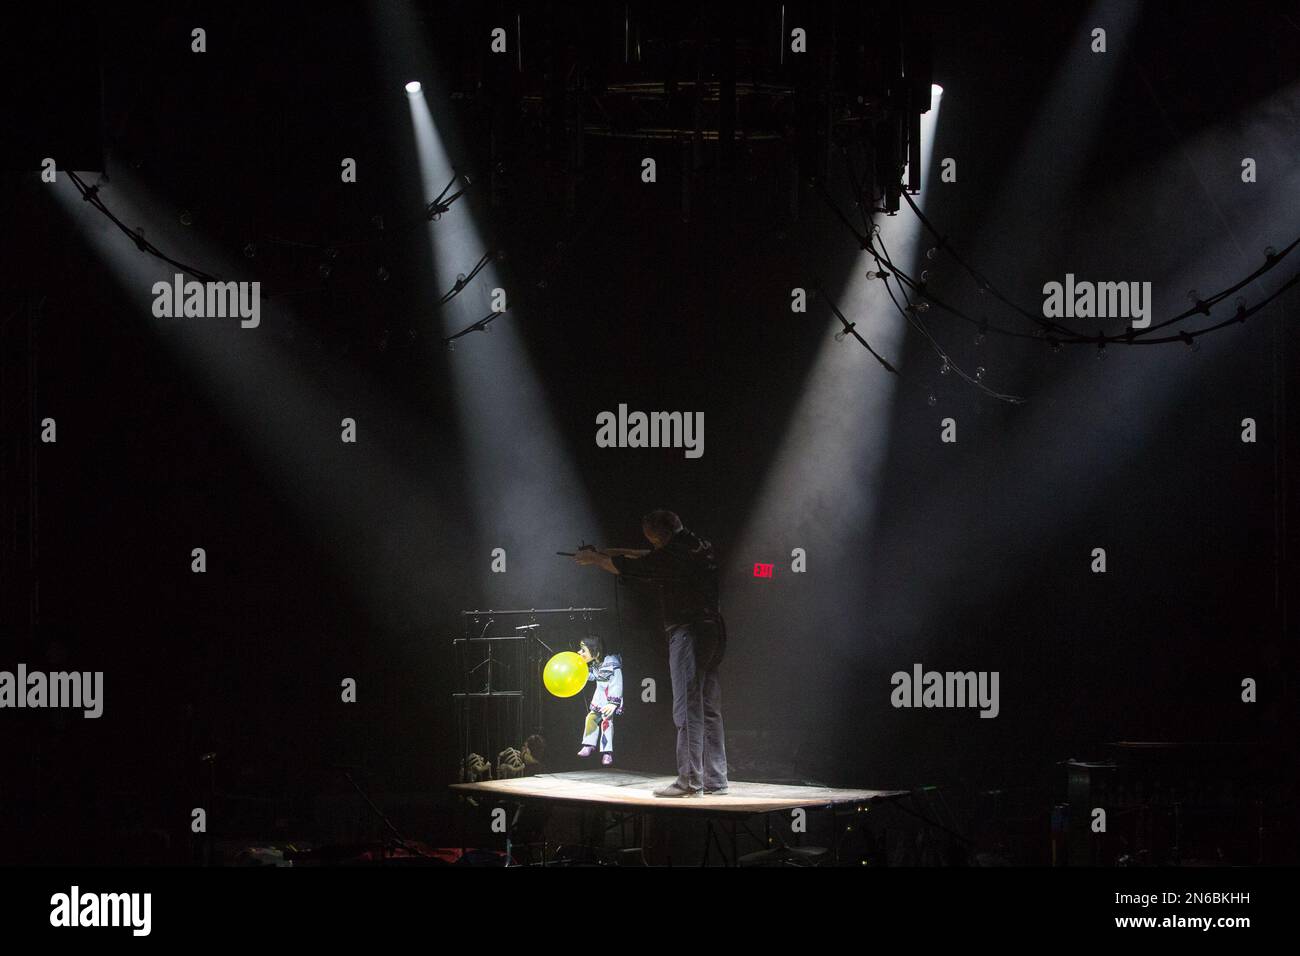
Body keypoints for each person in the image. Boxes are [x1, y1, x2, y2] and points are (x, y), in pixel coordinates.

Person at [572, 510, 728, 797]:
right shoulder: (695, 545)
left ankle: (689, 780)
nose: (653, 545)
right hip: (713, 631)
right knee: (708, 707)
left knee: (687, 708)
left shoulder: (671, 555)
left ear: (661, 535)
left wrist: (596, 559)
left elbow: (641, 564)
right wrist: (609, 551)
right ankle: (715, 779)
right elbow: (649, 556)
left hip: (688, 631)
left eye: (653, 539)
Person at [575, 636, 622, 766]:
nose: (580, 653)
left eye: (583, 650)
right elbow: (593, 676)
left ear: (595, 651)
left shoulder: (612, 664)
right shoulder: (596, 665)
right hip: (599, 696)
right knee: (591, 718)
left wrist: (613, 703)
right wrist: (579, 673)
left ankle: (607, 752)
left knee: (607, 723)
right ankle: (589, 744)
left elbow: (617, 683)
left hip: (609, 697)